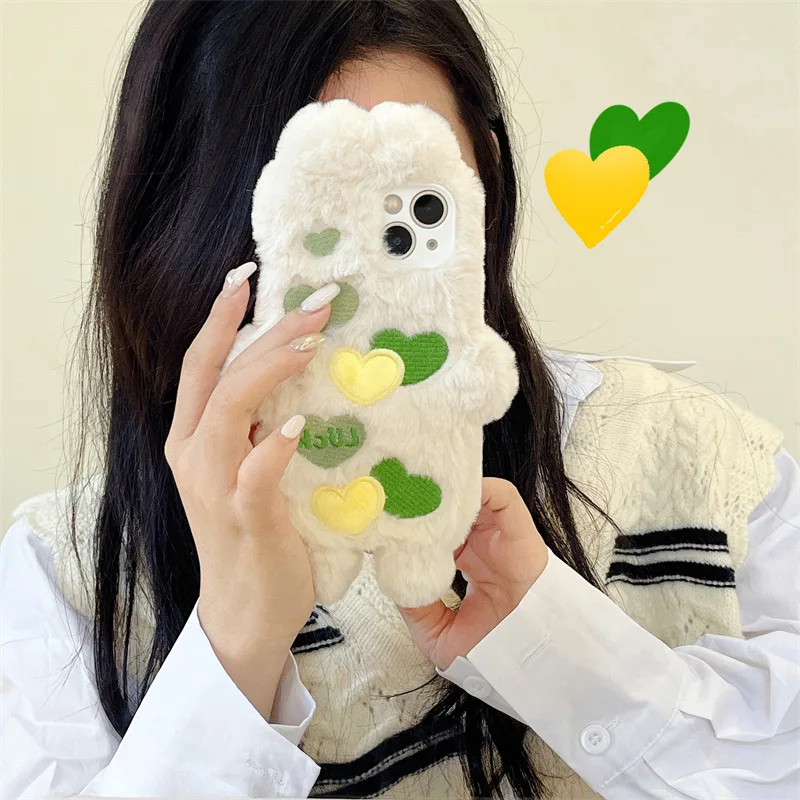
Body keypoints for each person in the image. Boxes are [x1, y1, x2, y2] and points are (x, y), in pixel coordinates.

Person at [1, 2, 798, 799]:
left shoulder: (699, 461)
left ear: (482, 181)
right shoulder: (65, 582)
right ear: (188, 221)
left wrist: (562, 655)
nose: (362, 264)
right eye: (317, 200)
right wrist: (237, 643)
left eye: (410, 189)